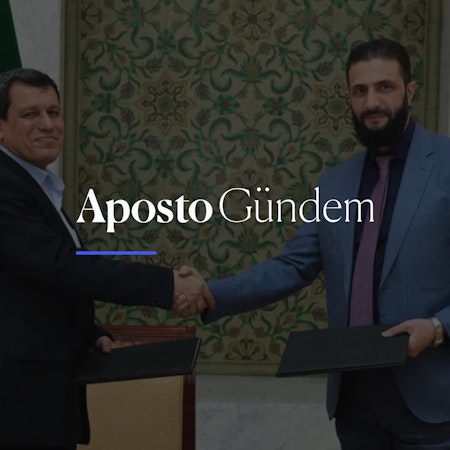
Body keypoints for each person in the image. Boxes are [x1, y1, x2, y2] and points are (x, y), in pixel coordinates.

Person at [176, 38, 450, 449]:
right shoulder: (335, 183)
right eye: (359, 91)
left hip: (432, 403)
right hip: (355, 404)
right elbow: (292, 265)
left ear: (409, 91)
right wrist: (209, 292)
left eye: (385, 87)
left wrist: (437, 328)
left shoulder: (446, 164)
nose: (372, 102)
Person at [0, 67, 213, 450]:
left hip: (42, 395)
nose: (48, 124)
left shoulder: (33, 183)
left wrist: (90, 332)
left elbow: (36, 285)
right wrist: (168, 285)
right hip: (18, 403)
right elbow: (63, 266)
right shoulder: (5, 184)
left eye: (54, 112)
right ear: (1, 126)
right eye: (30, 114)